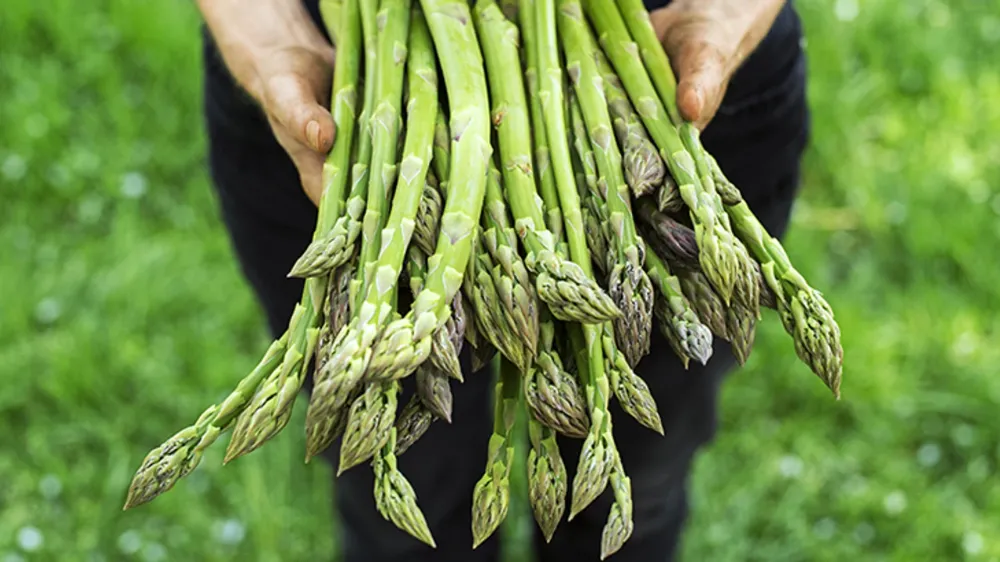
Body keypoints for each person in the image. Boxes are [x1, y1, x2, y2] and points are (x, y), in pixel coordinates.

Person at [196, 0, 809, 560]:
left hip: (657, 86)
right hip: (348, 103)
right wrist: (253, 21)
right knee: (404, 531)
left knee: (632, 502)